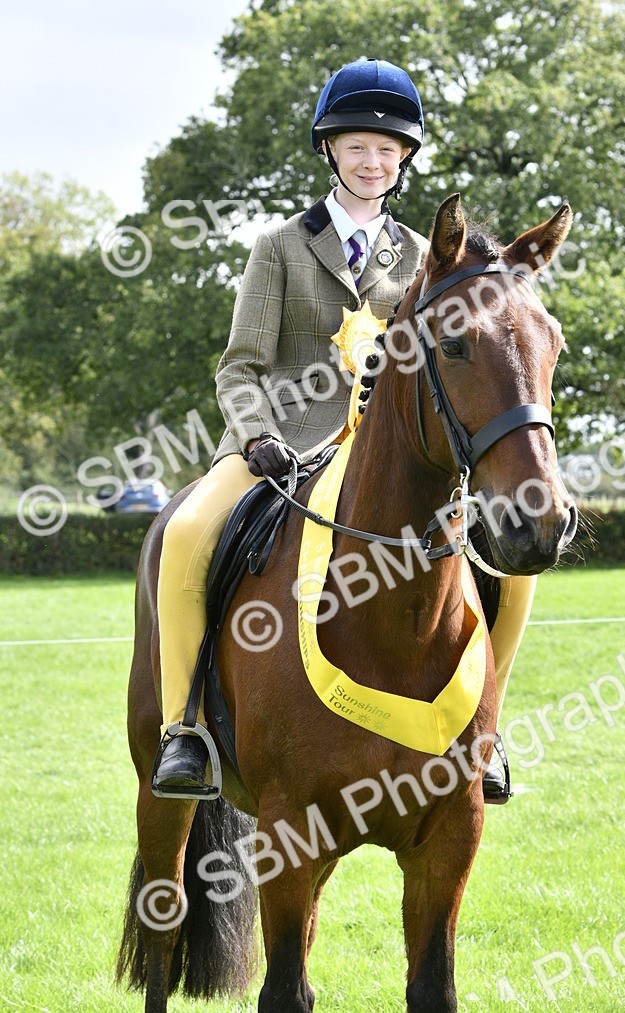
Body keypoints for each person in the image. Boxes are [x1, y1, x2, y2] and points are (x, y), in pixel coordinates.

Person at [153, 58, 536, 803]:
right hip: (278, 447)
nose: (372, 162)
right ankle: (184, 727)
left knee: (512, 568)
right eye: (357, 146)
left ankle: (485, 729)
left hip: (388, 457)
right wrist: (256, 436)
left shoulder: (426, 259)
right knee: (187, 534)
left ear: (403, 159)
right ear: (330, 150)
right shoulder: (278, 247)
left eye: (387, 150)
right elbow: (240, 367)